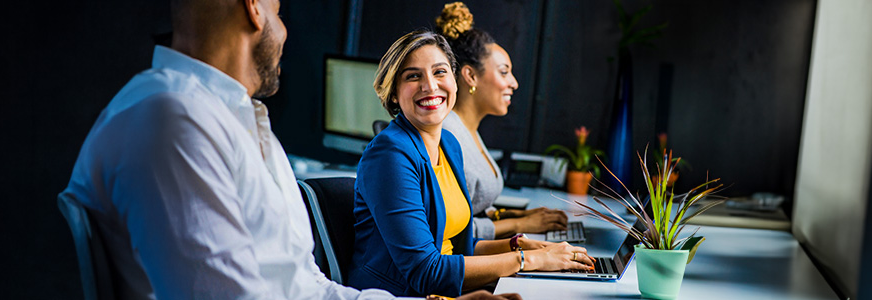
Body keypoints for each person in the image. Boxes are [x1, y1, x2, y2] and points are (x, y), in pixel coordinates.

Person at [61, 0, 517, 299]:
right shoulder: (172, 119)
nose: (284, 29)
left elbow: (305, 286)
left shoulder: (234, 118)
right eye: (279, 12)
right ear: (254, 9)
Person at [349, 29, 594, 298]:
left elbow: (459, 248)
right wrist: (528, 261)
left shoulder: (450, 145)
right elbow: (425, 271)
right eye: (413, 76)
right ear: (394, 93)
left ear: (455, 81)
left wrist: (523, 247)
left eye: (440, 72)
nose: (430, 86)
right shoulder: (390, 154)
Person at [434, 2, 568, 240]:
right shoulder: (448, 134)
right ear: (471, 76)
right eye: (504, 72)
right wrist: (520, 224)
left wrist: (514, 216)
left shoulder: (468, 130)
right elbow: (450, 231)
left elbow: (473, 209)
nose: (514, 83)